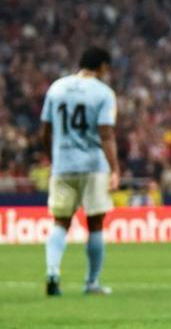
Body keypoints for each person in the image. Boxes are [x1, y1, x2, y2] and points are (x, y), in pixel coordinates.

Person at [40, 46, 120, 296]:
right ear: (103, 66)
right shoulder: (104, 93)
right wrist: (115, 169)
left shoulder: (56, 88)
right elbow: (106, 134)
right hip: (93, 165)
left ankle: (52, 272)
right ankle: (92, 283)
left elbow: (45, 131)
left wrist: (54, 157)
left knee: (60, 222)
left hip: (62, 165)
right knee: (95, 223)